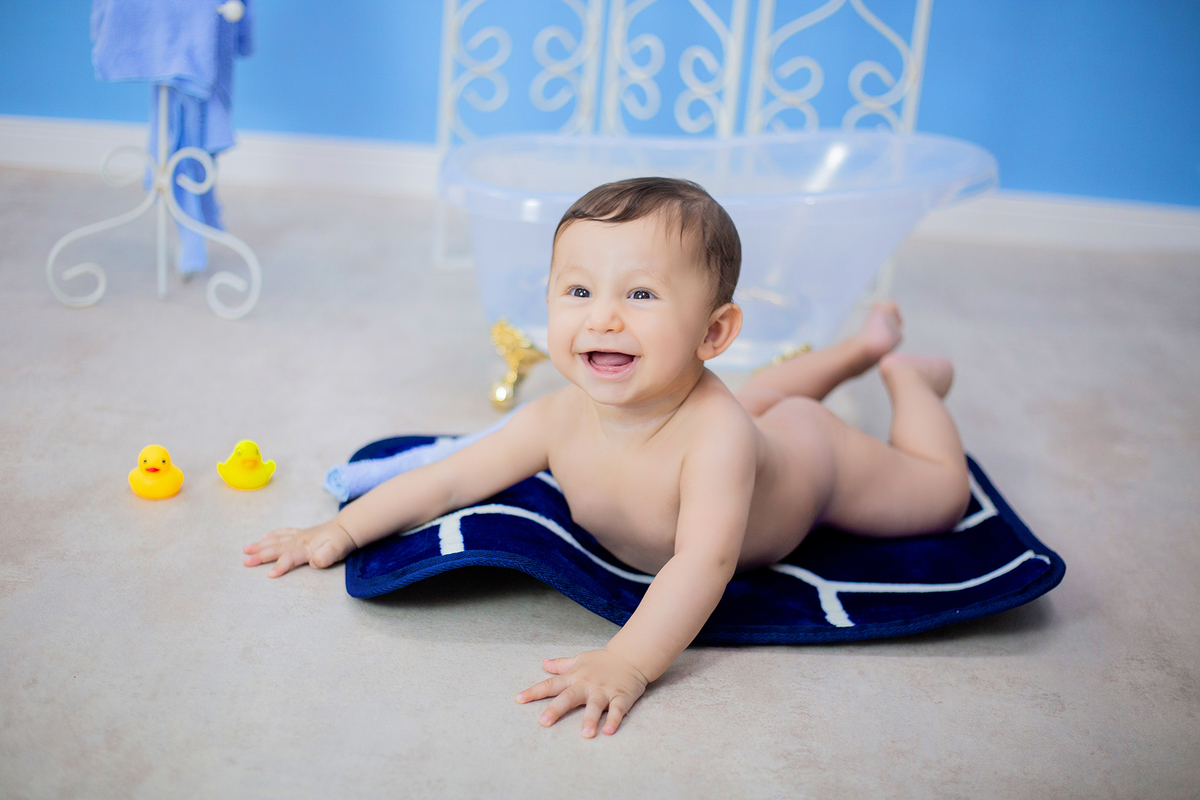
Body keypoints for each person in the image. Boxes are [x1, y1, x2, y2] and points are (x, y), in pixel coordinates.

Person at [243, 177, 971, 738]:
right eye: (580, 290)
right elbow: (451, 479)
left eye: (642, 293)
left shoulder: (714, 438)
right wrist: (339, 530)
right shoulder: (559, 415)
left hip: (815, 462)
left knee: (938, 495)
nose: (604, 317)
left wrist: (629, 660)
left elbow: (703, 562)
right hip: (754, 416)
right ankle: (860, 347)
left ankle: (907, 379)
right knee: (764, 396)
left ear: (714, 333)